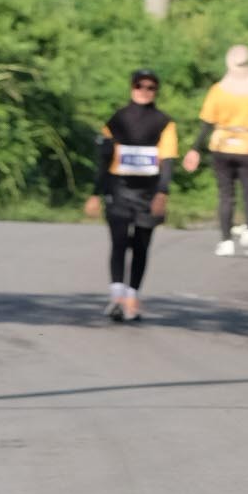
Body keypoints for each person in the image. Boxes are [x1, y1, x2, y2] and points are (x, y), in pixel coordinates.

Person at [87, 69, 178, 322]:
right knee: (118, 242)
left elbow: (168, 161)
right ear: (132, 88)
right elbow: (104, 159)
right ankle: (116, 296)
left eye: (150, 87)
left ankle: (132, 297)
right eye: (140, 86)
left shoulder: (164, 122)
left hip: (148, 192)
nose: (144, 91)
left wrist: (162, 193)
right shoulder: (117, 119)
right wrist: (95, 193)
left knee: (141, 245)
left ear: (156, 91)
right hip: (118, 188)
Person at [192, 43, 248, 253]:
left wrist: (195, 148)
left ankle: (226, 240)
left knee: (226, 195)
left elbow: (207, 122)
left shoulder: (218, 90)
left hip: (222, 144)